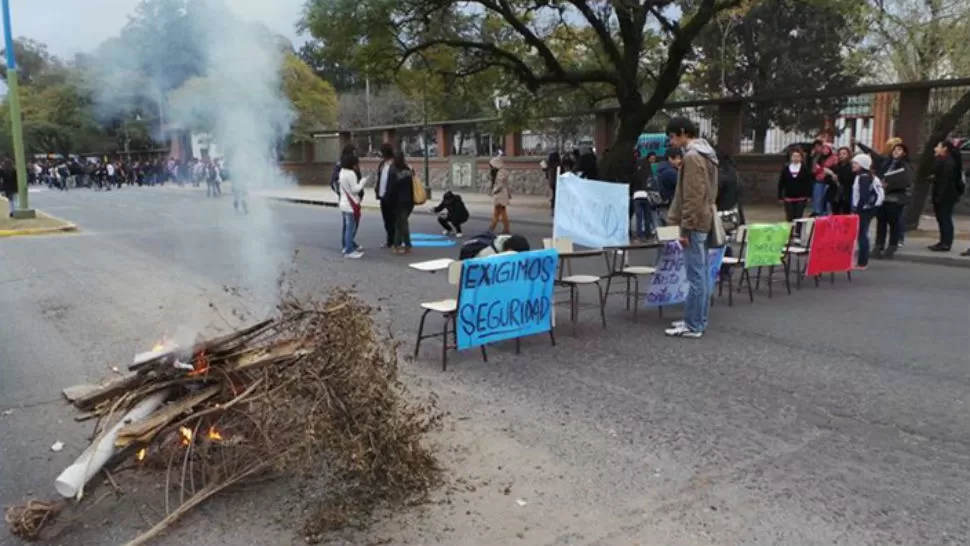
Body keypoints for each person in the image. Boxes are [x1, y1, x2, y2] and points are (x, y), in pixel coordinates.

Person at [664, 116, 718, 339]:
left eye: (673, 136)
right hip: (703, 219)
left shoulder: (692, 157)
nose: (672, 141)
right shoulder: (707, 154)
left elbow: (692, 196)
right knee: (702, 274)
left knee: (696, 276)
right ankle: (696, 319)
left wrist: (685, 228)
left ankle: (694, 324)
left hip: (694, 222)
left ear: (683, 132)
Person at [873, 143, 913, 259]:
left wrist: (889, 185)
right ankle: (879, 245)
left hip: (895, 198)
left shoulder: (905, 165)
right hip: (882, 197)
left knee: (893, 222)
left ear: (904, 153)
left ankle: (892, 245)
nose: (896, 151)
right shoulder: (886, 162)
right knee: (881, 222)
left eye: (899, 150)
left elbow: (905, 181)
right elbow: (880, 174)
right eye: (895, 149)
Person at [851, 154, 884, 269]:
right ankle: (862, 260)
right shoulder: (869, 176)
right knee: (863, 233)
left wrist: (857, 209)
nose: (853, 165)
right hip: (870, 209)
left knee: (862, 234)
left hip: (863, 210)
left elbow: (863, 196)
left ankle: (862, 262)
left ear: (862, 165)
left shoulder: (863, 177)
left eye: (856, 163)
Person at [929, 140, 963, 252]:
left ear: (944, 148)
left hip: (946, 195)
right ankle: (943, 241)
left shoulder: (948, 162)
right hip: (944, 194)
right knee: (942, 219)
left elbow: (945, 181)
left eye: (938, 146)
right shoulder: (942, 160)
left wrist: (939, 197)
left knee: (945, 219)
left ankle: (946, 243)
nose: (936, 148)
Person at [338, 153, 368, 259]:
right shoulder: (351, 174)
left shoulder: (342, 172)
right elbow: (355, 189)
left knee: (347, 227)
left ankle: (347, 247)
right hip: (350, 204)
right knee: (350, 228)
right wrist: (363, 182)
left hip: (343, 202)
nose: (357, 166)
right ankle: (349, 250)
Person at [387, 150, 414, 254]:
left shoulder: (393, 170)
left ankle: (407, 245)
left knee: (402, 223)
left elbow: (390, 187)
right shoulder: (407, 169)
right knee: (399, 223)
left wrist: (389, 200)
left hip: (397, 201)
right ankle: (396, 245)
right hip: (408, 200)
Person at [777, 148, 813, 221]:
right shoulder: (786, 169)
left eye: (798, 156)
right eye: (794, 156)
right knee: (790, 217)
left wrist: (809, 195)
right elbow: (781, 182)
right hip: (788, 197)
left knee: (798, 217)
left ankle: (797, 232)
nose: (795, 158)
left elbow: (808, 183)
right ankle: (790, 231)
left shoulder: (805, 169)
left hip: (801, 197)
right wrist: (780, 196)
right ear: (791, 157)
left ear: (801, 158)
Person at [375, 143, 397, 249]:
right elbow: (380, 178)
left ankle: (395, 241)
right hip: (382, 195)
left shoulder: (395, 164)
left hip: (392, 196)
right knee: (386, 220)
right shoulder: (382, 164)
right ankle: (389, 240)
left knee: (393, 220)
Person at [630, 152, 656, 241]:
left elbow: (632, 183)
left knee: (639, 217)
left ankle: (640, 235)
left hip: (636, 195)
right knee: (647, 215)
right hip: (646, 195)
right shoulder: (648, 172)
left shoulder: (635, 174)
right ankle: (648, 234)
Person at [654, 149, 682, 225]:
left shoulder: (660, 170)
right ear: (670, 158)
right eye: (678, 158)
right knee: (673, 232)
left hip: (661, 206)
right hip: (671, 207)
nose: (679, 161)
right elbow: (682, 186)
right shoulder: (670, 172)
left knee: (665, 233)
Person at [810, 140, 838, 216]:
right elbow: (814, 169)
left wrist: (823, 170)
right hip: (818, 181)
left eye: (827, 149)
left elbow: (834, 170)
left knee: (826, 201)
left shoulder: (834, 158)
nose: (825, 150)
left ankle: (824, 214)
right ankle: (818, 213)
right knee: (817, 199)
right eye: (823, 149)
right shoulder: (819, 158)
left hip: (828, 182)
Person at [487, 155, 511, 234]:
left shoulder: (500, 173)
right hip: (501, 195)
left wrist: (493, 191)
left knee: (499, 213)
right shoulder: (501, 172)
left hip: (500, 195)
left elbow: (499, 185)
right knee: (499, 212)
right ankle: (494, 228)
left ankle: (492, 229)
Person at [832, 147, 855, 214]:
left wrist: (837, 178)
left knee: (846, 214)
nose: (841, 155)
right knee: (835, 214)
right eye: (840, 154)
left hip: (847, 194)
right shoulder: (836, 166)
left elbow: (848, 179)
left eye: (844, 154)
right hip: (836, 194)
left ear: (848, 155)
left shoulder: (851, 166)